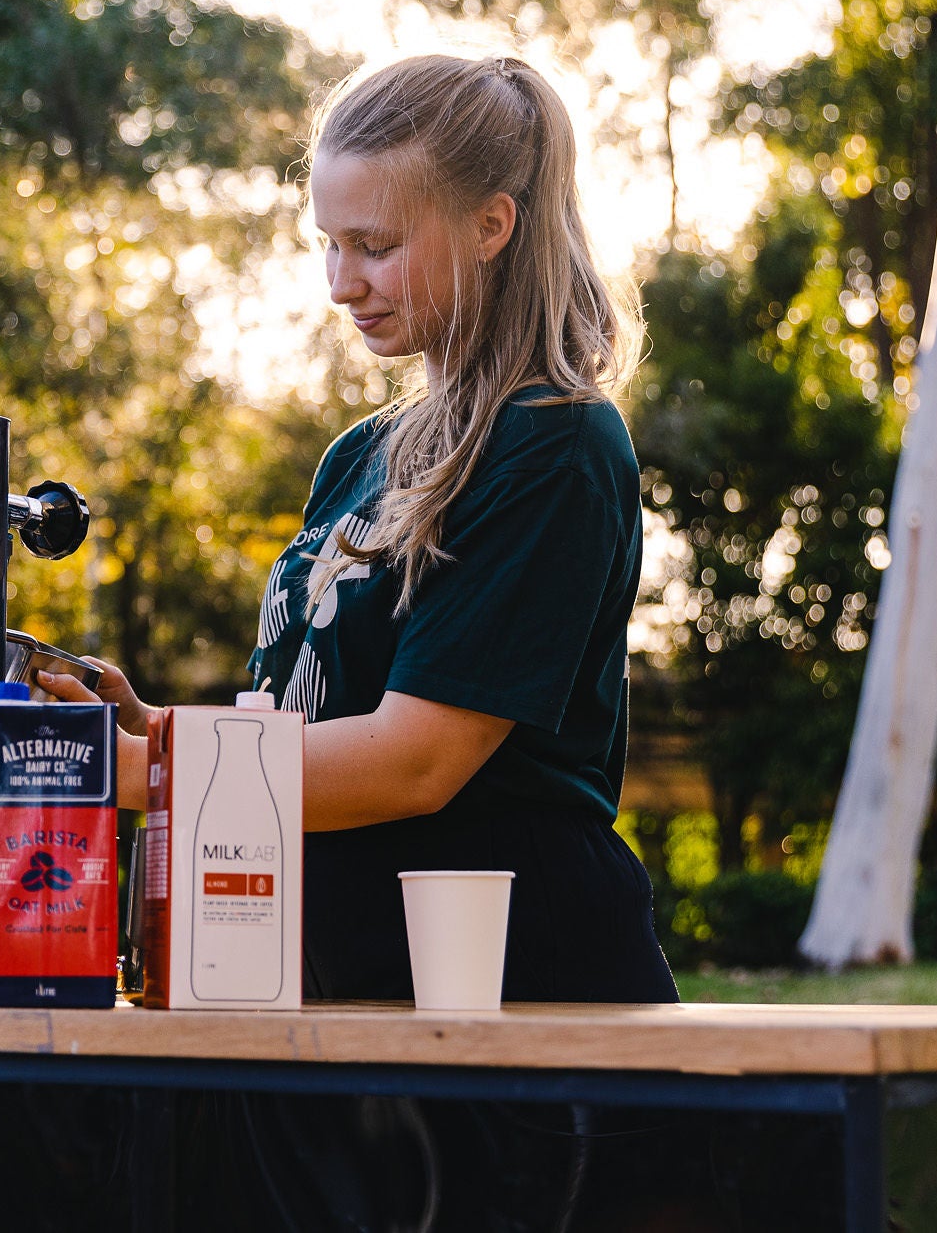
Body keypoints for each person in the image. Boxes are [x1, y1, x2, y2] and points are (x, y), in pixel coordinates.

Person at [41, 52, 677, 1005]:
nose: (342, 283)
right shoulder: (356, 455)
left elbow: (415, 761)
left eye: (374, 245)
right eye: (327, 245)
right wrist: (161, 732)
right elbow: (305, 727)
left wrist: (125, 777)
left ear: (491, 225)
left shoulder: (559, 444)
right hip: (349, 984)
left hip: (516, 995)